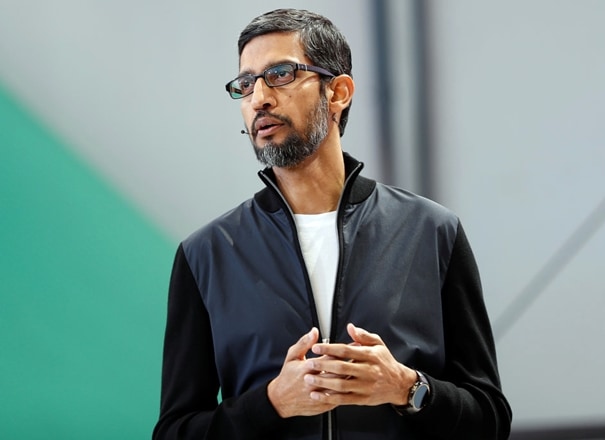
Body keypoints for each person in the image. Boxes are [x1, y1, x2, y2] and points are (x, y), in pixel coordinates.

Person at [153, 8, 512, 440]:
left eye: (280, 74)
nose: (259, 98)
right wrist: (271, 404)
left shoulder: (432, 232)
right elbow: (174, 431)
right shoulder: (206, 255)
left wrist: (407, 388)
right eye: (246, 84)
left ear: (338, 92)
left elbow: (490, 420)